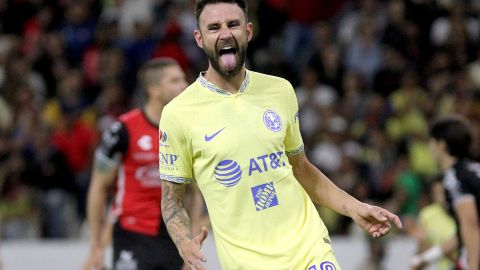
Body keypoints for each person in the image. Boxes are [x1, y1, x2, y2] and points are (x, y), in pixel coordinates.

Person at [158, 1, 403, 269]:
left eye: (233, 24)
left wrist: (355, 207)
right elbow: (172, 198)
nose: (225, 34)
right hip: (247, 262)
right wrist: (183, 243)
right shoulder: (178, 114)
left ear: (248, 31)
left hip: (308, 248)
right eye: (214, 27)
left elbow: (301, 169)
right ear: (199, 38)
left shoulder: (280, 90)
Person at [86, 58, 194, 270]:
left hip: (173, 236)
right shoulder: (123, 130)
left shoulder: (187, 131)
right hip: (131, 232)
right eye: (175, 80)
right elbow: (98, 187)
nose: (185, 85)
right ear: (154, 90)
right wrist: (96, 245)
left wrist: (191, 241)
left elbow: (195, 192)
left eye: (183, 79)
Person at [413, 115, 480, 270]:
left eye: (430, 143)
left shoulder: (454, 177)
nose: (429, 149)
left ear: (441, 145)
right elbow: (465, 232)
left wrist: (473, 266)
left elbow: (470, 224)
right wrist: (428, 257)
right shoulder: (473, 170)